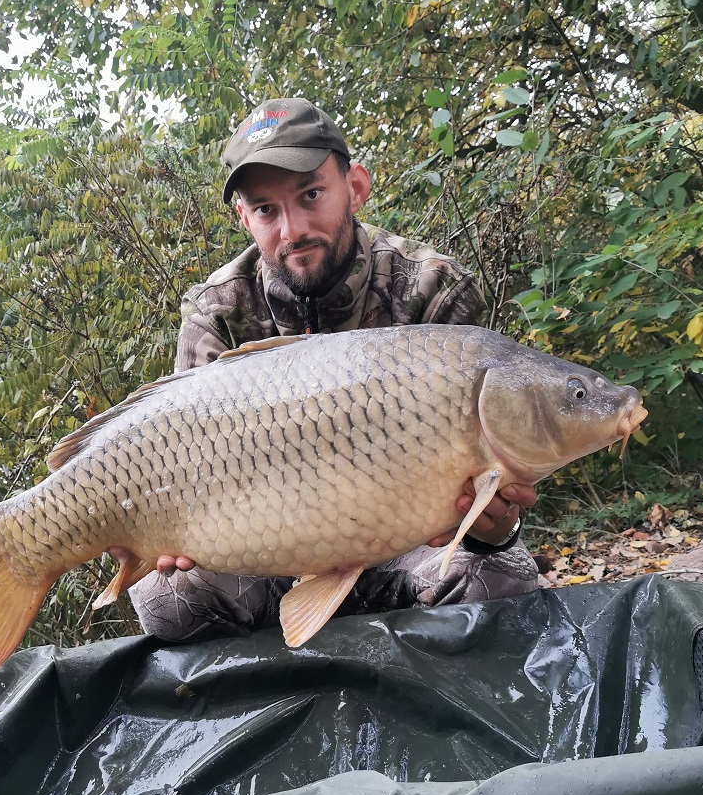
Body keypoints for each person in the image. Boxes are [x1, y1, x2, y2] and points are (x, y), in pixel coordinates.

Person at [127, 97, 539, 643]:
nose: (292, 229)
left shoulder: (431, 289)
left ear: (356, 187)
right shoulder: (217, 312)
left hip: (408, 548)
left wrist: (495, 526)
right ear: (244, 218)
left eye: (311, 195)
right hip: (263, 552)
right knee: (167, 601)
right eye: (266, 210)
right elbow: (175, 463)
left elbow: (489, 488)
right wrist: (165, 534)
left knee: (498, 580)